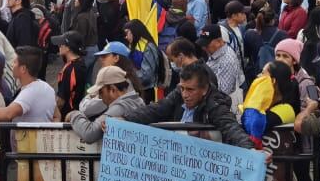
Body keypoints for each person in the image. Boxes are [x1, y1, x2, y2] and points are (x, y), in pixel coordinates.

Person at [119, 61, 253, 149]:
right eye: (182, 88)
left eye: (190, 90)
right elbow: (156, 109)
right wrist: (125, 119)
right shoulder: (177, 93)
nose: (184, 94)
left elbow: (230, 127)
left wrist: (250, 149)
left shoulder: (215, 104)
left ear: (204, 89)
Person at [66, 65, 147, 144]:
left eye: (101, 92)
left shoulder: (120, 107)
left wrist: (74, 114)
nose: (100, 97)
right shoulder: (138, 100)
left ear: (112, 89)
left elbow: (89, 133)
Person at [197, 23, 243, 101]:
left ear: (219, 41)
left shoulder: (227, 61)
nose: (203, 48)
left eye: (207, 45)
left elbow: (223, 92)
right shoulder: (214, 53)